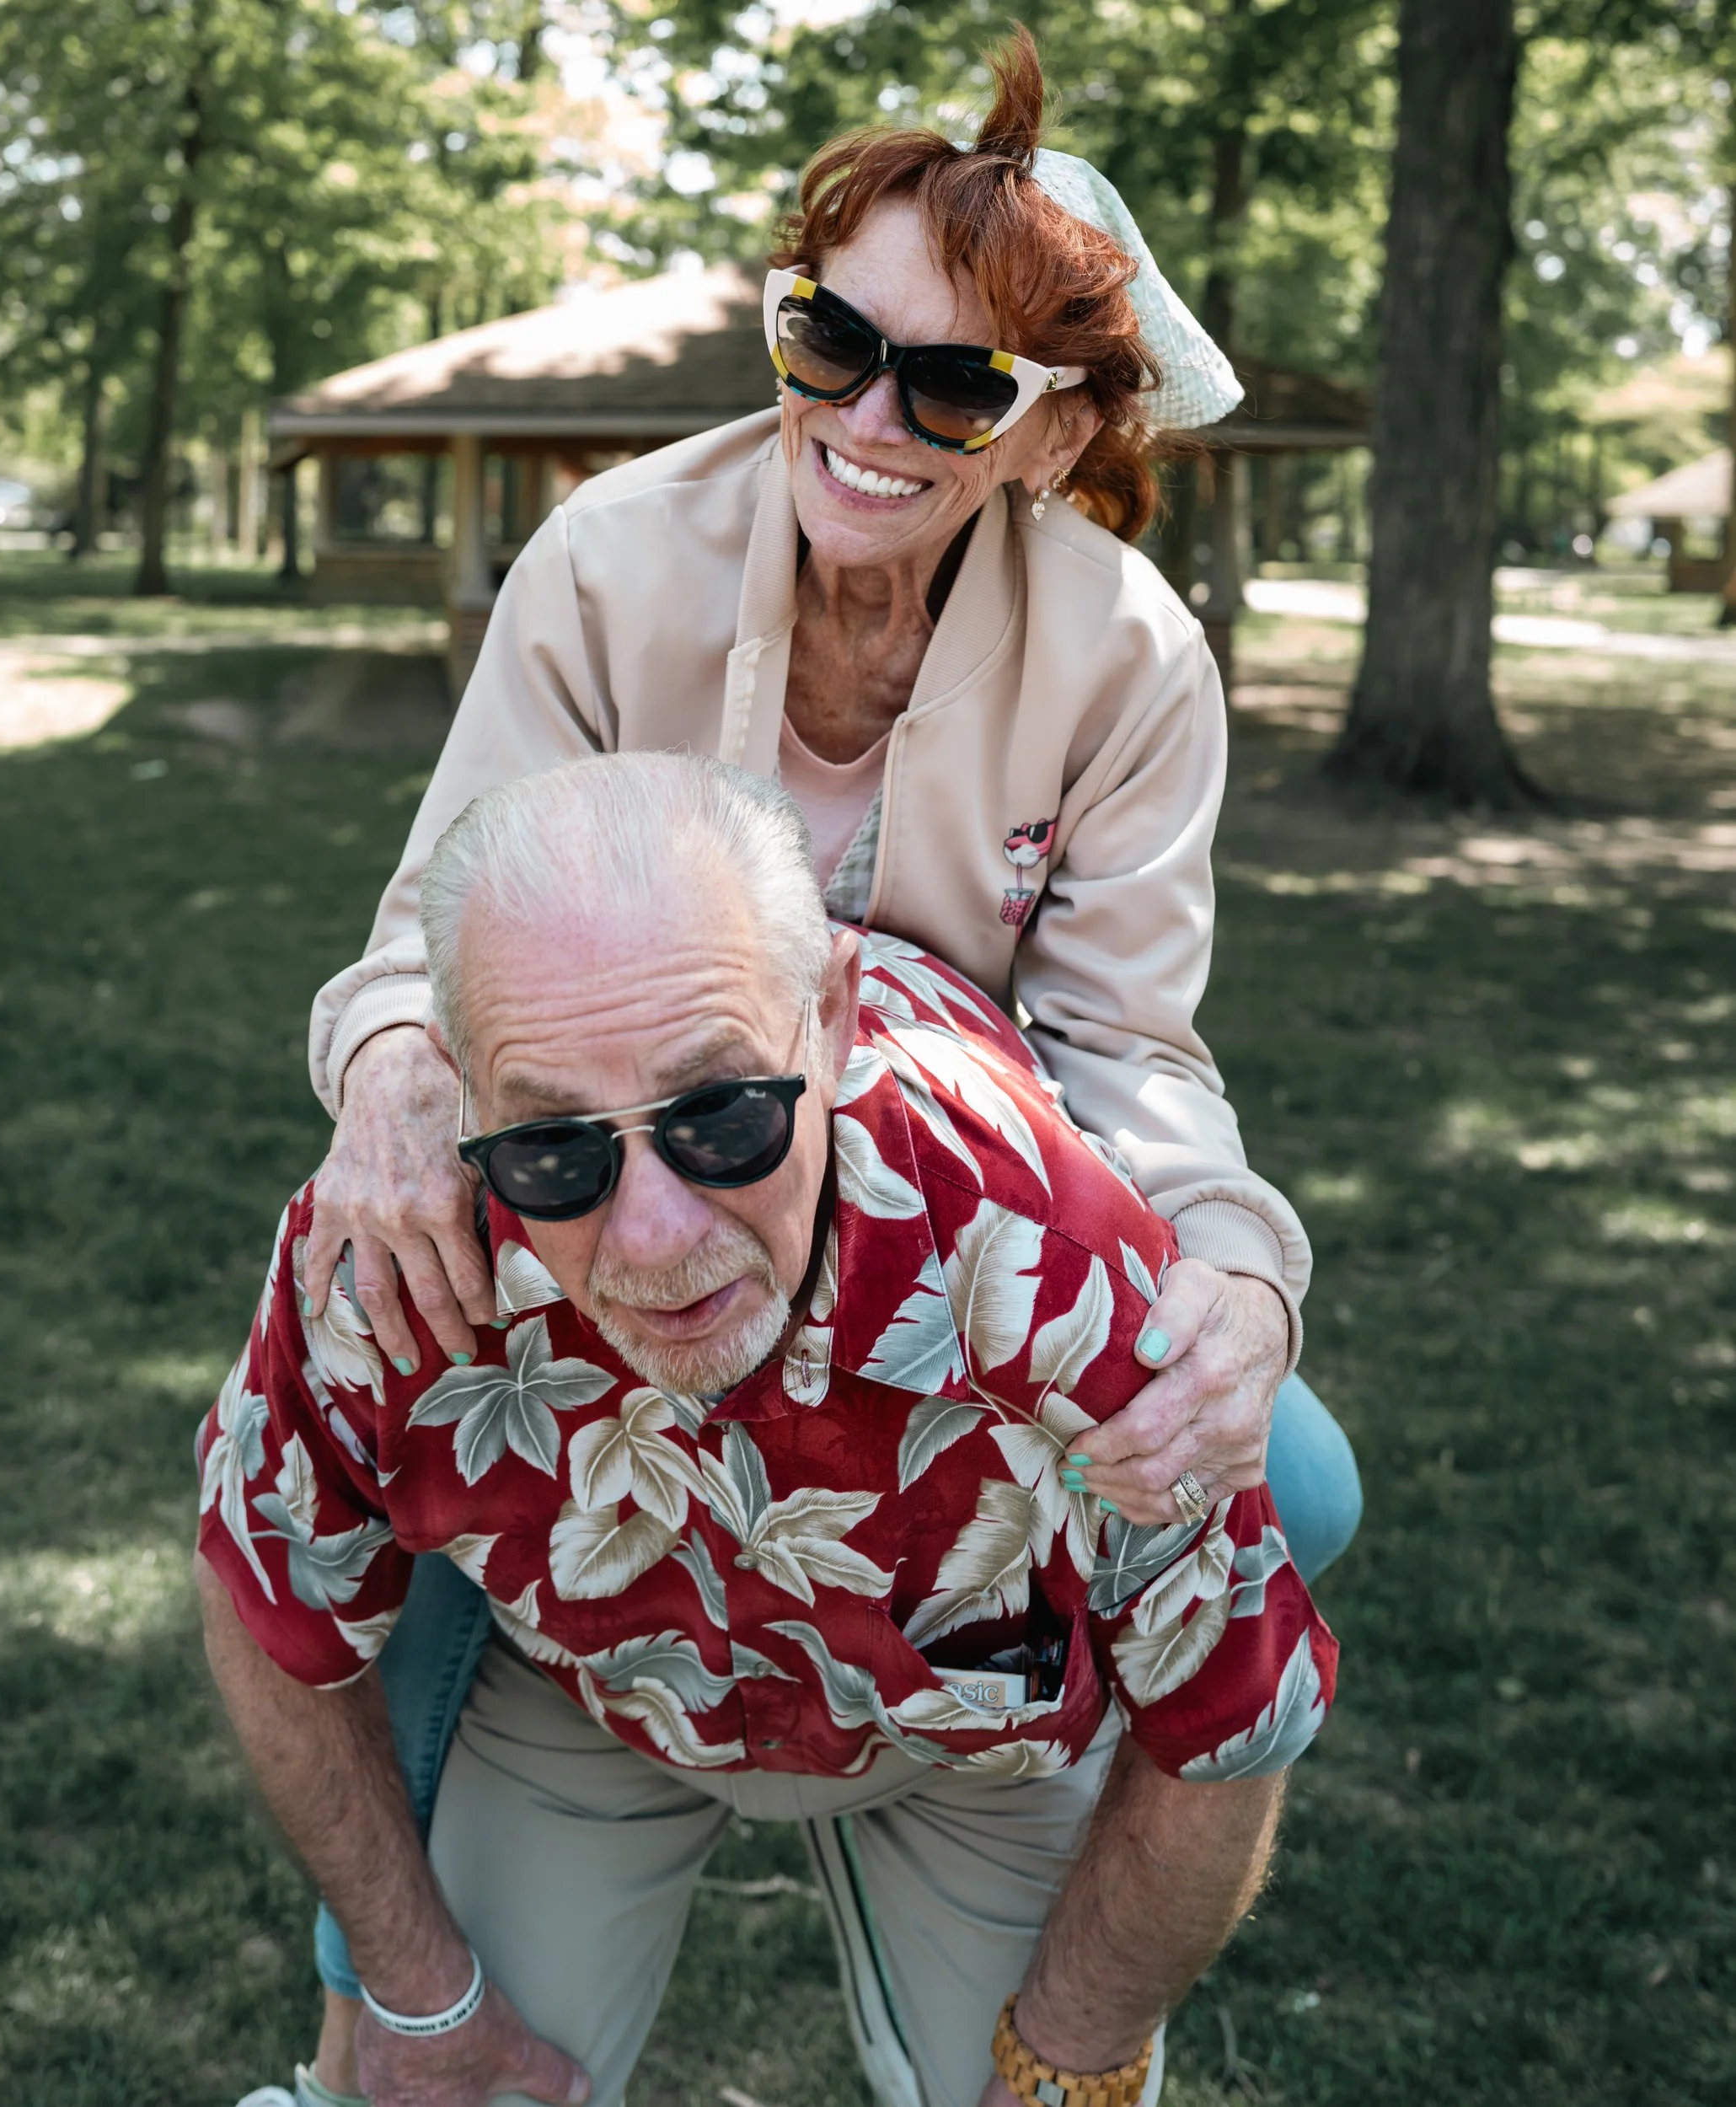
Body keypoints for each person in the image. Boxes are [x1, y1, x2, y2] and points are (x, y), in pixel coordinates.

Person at [263, 32, 1364, 2106]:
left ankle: (1033, 1876)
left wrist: (1234, 1275)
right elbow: (425, 932)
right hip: (610, 1206)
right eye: (824, 337)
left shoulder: (1127, 655)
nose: (865, 417)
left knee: (1290, 1476)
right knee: (401, 1405)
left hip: (946, 1247)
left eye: (948, 386)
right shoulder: (606, 558)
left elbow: (1128, 1042)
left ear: (1050, 435)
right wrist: (398, 1065)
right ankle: (382, 2018)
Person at [203, 753, 1337, 2107]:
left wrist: (1071, 2055)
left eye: (725, 1115)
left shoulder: (1052, 1259)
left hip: (971, 1729)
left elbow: (1227, 1716)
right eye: (556, 1149)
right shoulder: (393, 1251)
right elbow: (265, 1590)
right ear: (459, 1092)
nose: (656, 1239)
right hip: (592, 1705)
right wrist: (416, 1995)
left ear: (836, 1019)